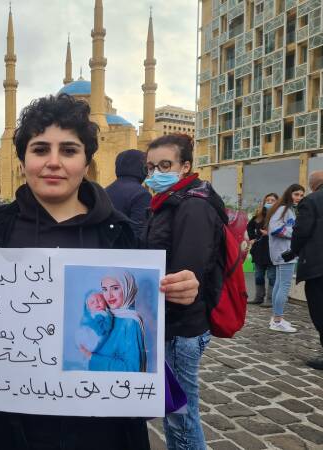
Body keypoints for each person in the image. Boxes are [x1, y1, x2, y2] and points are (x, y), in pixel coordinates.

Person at [0, 94, 199, 450]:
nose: (53, 162)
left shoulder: (120, 231)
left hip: (101, 428)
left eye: (68, 150)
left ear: (86, 162)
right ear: (23, 161)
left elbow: (147, 317)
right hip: (11, 422)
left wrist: (178, 295)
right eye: (40, 149)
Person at [143, 133, 227, 450]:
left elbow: (186, 275)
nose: (156, 173)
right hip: (174, 325)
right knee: (176, 410)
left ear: (185, 166)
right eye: (151, 167)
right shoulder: (170, 201)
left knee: (181, 415)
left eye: (165, 165)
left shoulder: (193, 206)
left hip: (181, 327)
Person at [291, 171, 323, 369]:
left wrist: (292, 251)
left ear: (313, 185)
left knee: (320, 310)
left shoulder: (311, 201)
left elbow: (301, 231)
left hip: (318, 267)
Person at [84, 273, 147, 372]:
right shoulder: (104, 316)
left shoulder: (130, 322)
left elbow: (132, 369)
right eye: (105, 289)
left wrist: (92, 358)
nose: (109, 295)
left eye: (115, 288)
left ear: (127, 289)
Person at [265, 183, 305, 333]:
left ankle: (276, 318)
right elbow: (276, 230)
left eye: (301, 195)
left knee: (279, 284)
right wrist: (296, 232)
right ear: (289, 194)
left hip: (282, 252)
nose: (299, 198)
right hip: (285, 253)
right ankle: (277, 320)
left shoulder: (285, 209)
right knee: (284, 286)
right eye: (296, 194)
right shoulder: (283, 209)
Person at [105, 149, 151, 239]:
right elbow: (138, 232)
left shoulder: (105, 190)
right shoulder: (142, 194)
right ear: (143, 168)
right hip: (126, 246)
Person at [247, 193, 279, 306]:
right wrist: (252, 238)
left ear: (277, 202)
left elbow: (284, 230)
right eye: (268, 200)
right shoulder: (259, 215)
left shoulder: (279, 215)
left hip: (272, 250)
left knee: (272, 276)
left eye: (272, 200)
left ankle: (270, 299)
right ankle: (258, 297)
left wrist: (270, 233)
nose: (269, 202)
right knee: (258, 275)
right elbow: (249, 226)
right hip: (259, 250)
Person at [75, 291, 112, 355]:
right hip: (87, 336)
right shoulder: (90, 315)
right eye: (92, 302)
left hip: (96, 339)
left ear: (105, 302)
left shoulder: (105, 314)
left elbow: (107, 327)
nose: (97, 303)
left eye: (100, 300)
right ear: (88, 308)